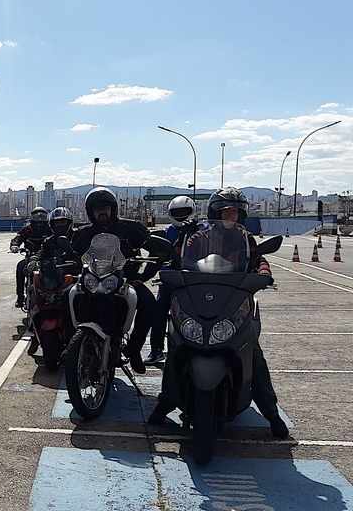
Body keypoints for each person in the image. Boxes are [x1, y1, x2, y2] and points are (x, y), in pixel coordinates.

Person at [148, 187, 289, 439]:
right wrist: (169, 269)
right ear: (215, 212)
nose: (230, 216)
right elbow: (179, 259)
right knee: (176, 347)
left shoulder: (246, 238)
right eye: (225, 211)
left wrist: (265, 274)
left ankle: (271, 413)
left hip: (233, 300)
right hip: (200, 298)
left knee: (254, 355)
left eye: (235, 212)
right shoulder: (197, 237)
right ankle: (166, 401)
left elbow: (258, 260)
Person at [62, 187, 159, 374]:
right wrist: (69, 263)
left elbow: (155, 250)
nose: (102, 212)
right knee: (67, 296)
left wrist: (142, 276)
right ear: (91, 212)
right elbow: (70, 253)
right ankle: (72, 344)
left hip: (126, 281)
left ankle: (134, 349)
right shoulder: (82, 233)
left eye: (105, 207)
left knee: (148, 302)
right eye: (97, 209)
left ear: (113, 208)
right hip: (92, 281)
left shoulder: (132, 228)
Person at [144, 196, 206, 365]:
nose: (180, 215)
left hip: (196, 279)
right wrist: (143, 276)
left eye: (184, 212)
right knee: (159, 310)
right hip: (170, 279)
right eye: (176, 212)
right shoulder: (166, 232)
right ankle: (156, 349)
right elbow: (156, 257)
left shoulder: (204, 229)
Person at [25, 207, 78, 355]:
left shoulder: (78, 237)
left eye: (63, 222)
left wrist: (77, 260)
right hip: (53, 278)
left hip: (73, 277)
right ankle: (34, 333)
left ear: (69, 223)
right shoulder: (49, 241)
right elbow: (41, 252)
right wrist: (34, 260)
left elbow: (85, 253)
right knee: (33, 293)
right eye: (57, 223)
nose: (60, 226)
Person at [10, 206, 50, 308]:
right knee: (20, 267)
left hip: (47, 259)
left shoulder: (50, 230)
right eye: (36, 217)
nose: (39, 221)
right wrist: (15, 245)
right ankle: (20, 297)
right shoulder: (26, 230)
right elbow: (17, 238)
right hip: (29, 258)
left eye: (42, 217)